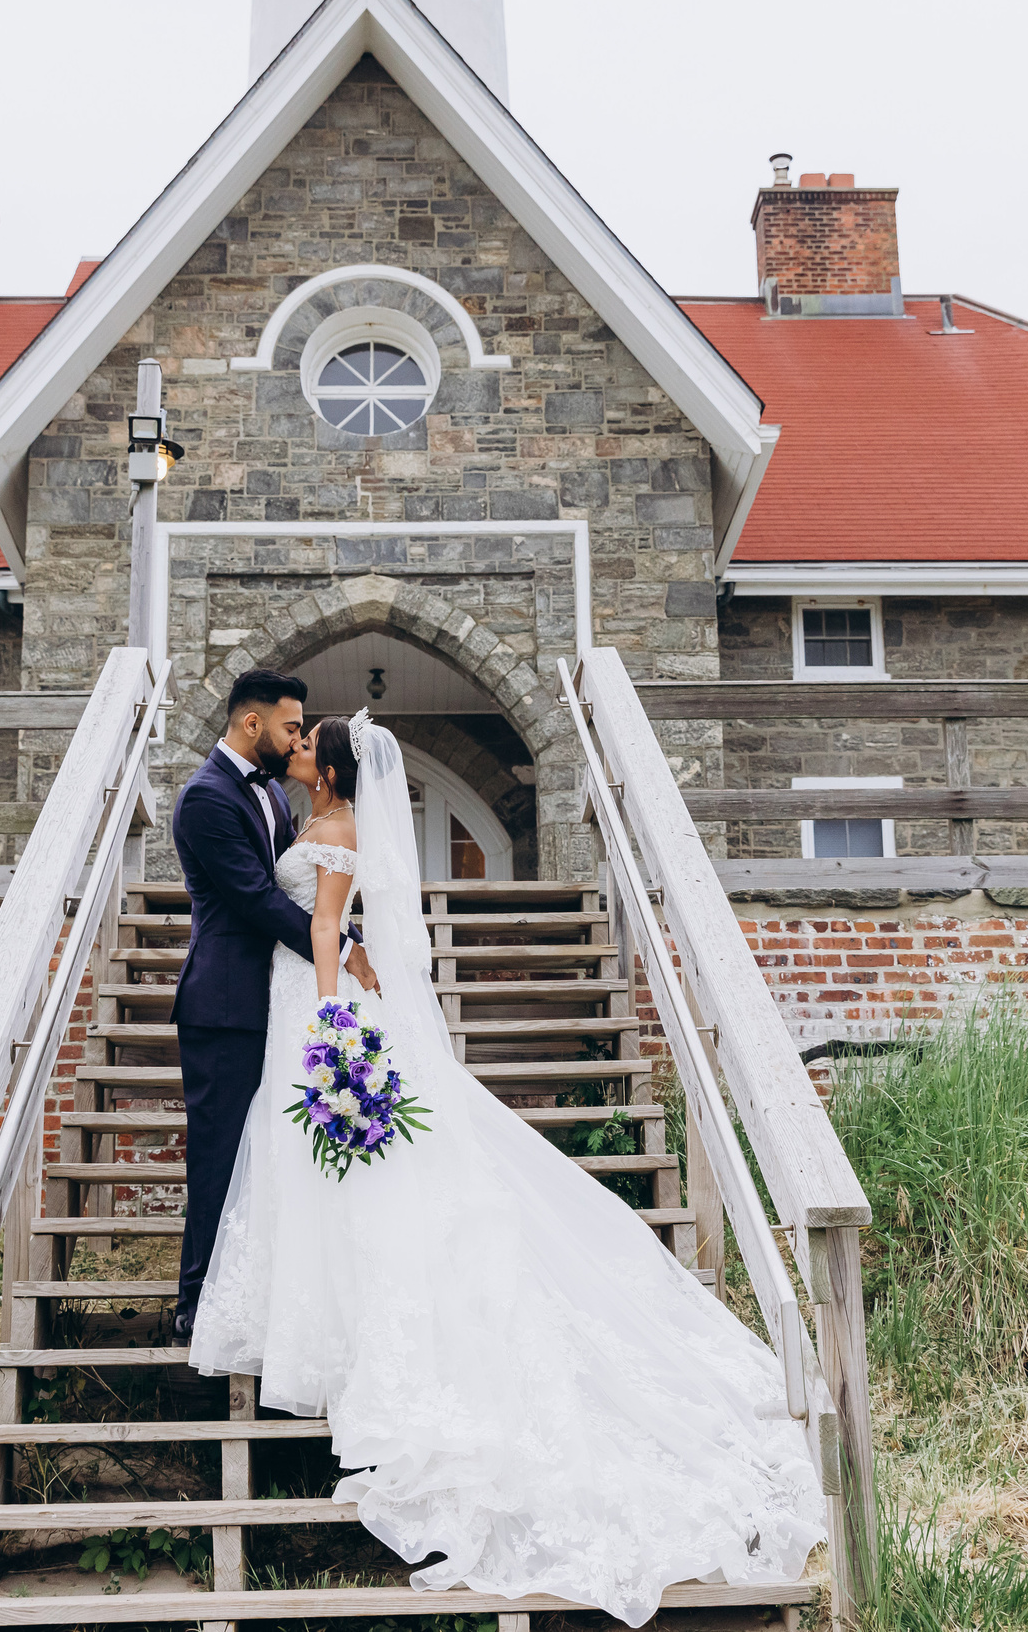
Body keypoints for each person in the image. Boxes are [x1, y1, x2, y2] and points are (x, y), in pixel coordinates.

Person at [188, 707, 824, 1626]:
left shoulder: (330, 829)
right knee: (316, 1164)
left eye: (302, 744)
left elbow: (326, 929)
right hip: (307, 994)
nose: (292, 752)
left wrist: (329, 1021)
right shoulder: (314, 818)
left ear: (326, 771)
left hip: (315, 1003)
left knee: (331, 1162)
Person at [166, 670, 379, 1343]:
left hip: (273, 997)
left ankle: (271, 1296)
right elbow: (258, 899)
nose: (296, 742)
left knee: (267, 1153)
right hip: (224, 1001)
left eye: (304, 734)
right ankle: (195, 1303)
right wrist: (343, 949)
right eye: (292, 727)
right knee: (219, 1153)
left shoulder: (280, 802)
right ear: (251, 724)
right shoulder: (206, 799)